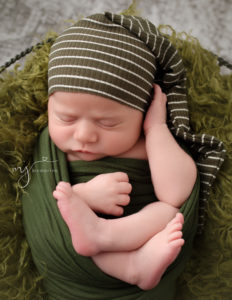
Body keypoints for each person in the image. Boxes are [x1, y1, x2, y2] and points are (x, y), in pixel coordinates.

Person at [22, 12, 200, 299]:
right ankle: (117, 253)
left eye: (108, 123)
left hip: (143, 252)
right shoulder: (49, 148)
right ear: (49, 105)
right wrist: (82, 196)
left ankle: (109, 240)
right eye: (66, 118)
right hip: (74, 272)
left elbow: (178, 194)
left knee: (168, 213)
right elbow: (39, 204)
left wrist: (156, 129)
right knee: (67, 215)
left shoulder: (147, 142)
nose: (84, 136)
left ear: (141, 112)